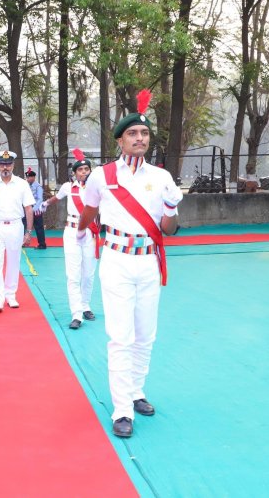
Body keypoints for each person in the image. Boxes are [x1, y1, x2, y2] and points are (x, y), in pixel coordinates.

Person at [78, 89, 183, 439]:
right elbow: (89, 211)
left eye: (144, 134)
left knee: (145, 335)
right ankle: (122, 409)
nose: (140, 139)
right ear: (121, 141)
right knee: (120, 337)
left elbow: (169, 229)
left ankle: (137, 391)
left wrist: (170, 208)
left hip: (148, 261)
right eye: (133, 134)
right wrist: (81, 231)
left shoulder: (162, 177)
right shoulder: (102, 176)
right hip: (117, 261)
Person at [40, 150, 97, 330]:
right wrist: (45, 204)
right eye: (81, 170)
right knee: (73, 275)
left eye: (87, 169)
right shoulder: (67, 187)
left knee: (88, 273)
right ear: (74, 172)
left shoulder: (95, 187)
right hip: (72, 232)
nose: (84, 172)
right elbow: (56, 198)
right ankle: (76, 313)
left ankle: (86, 305)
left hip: (90, 232)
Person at [0, 150, 35, 312]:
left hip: (15, 226)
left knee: (14, 261)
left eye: (8, 164)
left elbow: (28, 208)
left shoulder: (22, 184)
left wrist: (28, 232)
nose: (5, 167)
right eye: (2, 164)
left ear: (13, 165)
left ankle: (11, 295)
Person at [24, 167, 47, 249]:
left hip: (35, 209)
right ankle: (23, 242)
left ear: (33, 177)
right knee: (23, 225)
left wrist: (33, 209)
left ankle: (42, 244)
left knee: (39, 227)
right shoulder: (25, 185)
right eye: (27, 177)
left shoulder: (38, 187)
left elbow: (40, 199)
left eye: (29, 177)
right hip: (26, 208)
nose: (27, 178)